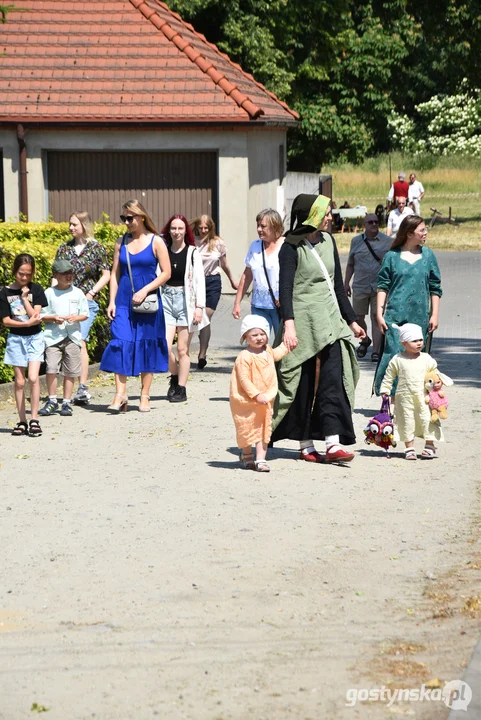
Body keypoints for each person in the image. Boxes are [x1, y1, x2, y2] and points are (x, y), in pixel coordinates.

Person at [271, 194, 366, 463]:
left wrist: (352, 321)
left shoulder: (329, 241)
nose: (329, 217)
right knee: (303, 385)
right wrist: (289, 325)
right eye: (325, 213)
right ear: (312, 216)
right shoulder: (290, 247)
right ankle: (305, 444)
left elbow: (336, 287)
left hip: (330, 323)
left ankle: (333, 443)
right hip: (301, 324)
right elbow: (285, 289)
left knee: (333, 380)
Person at [100, 200, 171, 413]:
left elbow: (166, 273)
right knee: (120, 341)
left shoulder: (156, 241)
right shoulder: (121, 242)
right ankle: (120, 394)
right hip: (123, 300)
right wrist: (111, 301)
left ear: (141, 217)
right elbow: (114, 273)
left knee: (146, 344)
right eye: (124, 218)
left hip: (147, 301)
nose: (127, 222)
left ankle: (144, 395)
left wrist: (145, 290)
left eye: (130, 218)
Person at [374, 215, 442, 396]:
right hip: (395, 316)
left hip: (420, 317)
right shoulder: (391, 257)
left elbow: (435, 288)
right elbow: (382, 286)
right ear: (410, 233)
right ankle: (390, 399)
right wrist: (379, 314)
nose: (426, 232)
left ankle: (417, 399)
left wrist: (434, 314)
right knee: (394, 356)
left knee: (417, 359)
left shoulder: (428, 256)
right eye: (422, 230)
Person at [55, 211, 111, 404]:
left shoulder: (96, 248)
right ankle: (69, 387)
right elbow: (55, 274)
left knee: (80, 340)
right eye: (70, 224)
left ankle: (82, 387)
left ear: (84, 225)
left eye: (74, 225)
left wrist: (92, 292)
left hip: (86, 302)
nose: (71, 228)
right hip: (65, 300)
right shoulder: (64, 249)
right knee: (66, 342)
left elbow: (106, 274)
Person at [380, 323, 449, 460]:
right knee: (407, 421)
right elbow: (389, 376)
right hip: (404, 398)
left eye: (420, 340)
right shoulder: (398, 359)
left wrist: (438, 383)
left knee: (427, 420)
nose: (419, 343)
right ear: (404, 343)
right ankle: (409, 448)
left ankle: (429, 446)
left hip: (424, 398)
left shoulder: (426, 358)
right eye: (414, 341)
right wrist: (385, 389)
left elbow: (434, 374)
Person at [230, 314, 289, 472]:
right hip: (246, 400)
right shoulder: (245, 356)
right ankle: (247, 455)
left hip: (265, 399)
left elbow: (276, 355)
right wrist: (256, 395)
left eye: (262, 334)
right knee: (247, 427)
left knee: (263, 427)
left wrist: (287, 345)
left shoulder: (268, 350)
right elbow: (243, 379)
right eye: (254, 335)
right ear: (245, 337)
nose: (259, 338)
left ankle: (261, 459)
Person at [161, 214, 208, 403]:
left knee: (182, 349)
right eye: (173, 228)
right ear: (169, 230)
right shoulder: (163, 249)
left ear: (185, 231)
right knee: (163, 346)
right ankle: (174, 376)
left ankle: (181, 388)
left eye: (180, 228)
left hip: (186, 302)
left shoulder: (192, 252)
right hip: (166, 300)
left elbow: (199, 280)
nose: (176, 232)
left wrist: (199, 307)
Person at [0, 253, 48, 436]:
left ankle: (34, 419)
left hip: (35, 338)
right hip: (15, 339)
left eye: (28, 274)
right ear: (15, 271)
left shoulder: (36, 290)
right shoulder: (4, 292)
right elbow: (6, 321)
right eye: (21, 273)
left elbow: (35, 317)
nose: (24, 277)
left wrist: (25, 298)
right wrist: (25, 324)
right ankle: (22, 421)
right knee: (20, 382)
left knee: (34, 378)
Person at [39, 260, 89, 417]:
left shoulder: (78, 292)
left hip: (73, 337)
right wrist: (53, 318)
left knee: (71, 371)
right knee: (51, 368)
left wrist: (75, 318)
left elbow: (85, 313)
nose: (68, 276)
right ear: (55, 275)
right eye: (64, 274)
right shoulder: (48, 293)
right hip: (52, 338)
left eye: (70, 273)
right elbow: (40, 315)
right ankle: (52, 400)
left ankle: (66, 402)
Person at [191, 214, 238, 369]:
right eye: (201, 227)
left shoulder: (218, 243)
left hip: (212, 282)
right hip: (196, 283)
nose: (203, 230)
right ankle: (196, 350)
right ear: (197, 227)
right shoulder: (191, 242)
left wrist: (232, 280)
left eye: (206, 227)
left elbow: (224, 264)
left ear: (211, 228)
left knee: (205, 316)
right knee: (199, 317)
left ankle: (202, 354)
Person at [344, 214, 391, 363]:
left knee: (377, 318)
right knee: (357, 318)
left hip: (380, 288)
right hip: (360, 286)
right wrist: (346, 283)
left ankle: (376, 351)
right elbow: (351, 264)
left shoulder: (387, 242)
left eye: (376, 222)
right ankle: (365, 340)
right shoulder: (356, 241)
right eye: (370, 222)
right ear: (364, 224)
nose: (374, 224)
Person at [232, 209, 284, 336]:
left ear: (275, 226)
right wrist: (237, 303)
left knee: (283, 346)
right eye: (258, 226)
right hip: (259, 306)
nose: (259, 229)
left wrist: (285, 296)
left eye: (263, 226)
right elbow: (247, 276)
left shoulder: (285, 245)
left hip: (280, 307)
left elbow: (296, 276)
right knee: (258, 343)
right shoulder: (255, 246)